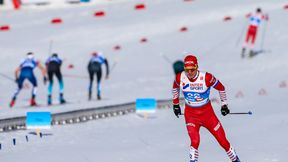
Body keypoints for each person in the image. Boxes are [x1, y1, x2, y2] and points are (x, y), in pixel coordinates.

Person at [172, 55, 240, 162]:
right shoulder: (180, 77)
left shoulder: (206, 77)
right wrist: (175, 104)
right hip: (191, 115)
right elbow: (175, 86)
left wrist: (224, 105)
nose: (189, 73)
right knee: (195, 141)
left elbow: (221, 88)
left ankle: (236, 160)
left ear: (196, 67)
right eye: (187, 70)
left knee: (223, 142)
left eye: (192, 70)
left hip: (207, 114)